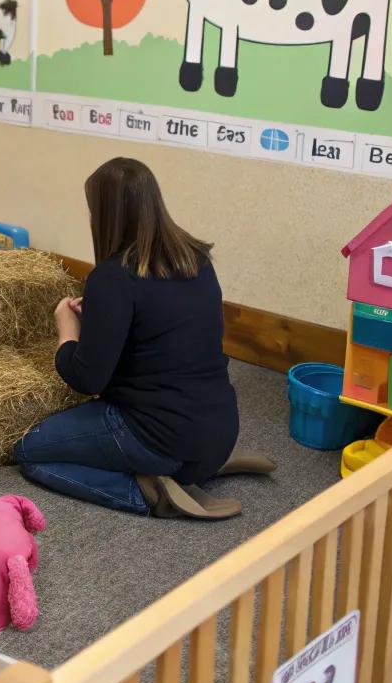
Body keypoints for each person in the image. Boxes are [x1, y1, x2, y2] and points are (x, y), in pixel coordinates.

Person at [14, 158, 272, 519]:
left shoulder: (113, 277)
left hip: (161, 439)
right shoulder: (196, 259)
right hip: (219, 428)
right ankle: (196, 468)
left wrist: (66, 328)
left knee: (30, 453)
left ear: (105, 213)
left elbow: (86, 378)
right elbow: (165, 332)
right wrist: (105, 319)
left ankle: (146, 492)